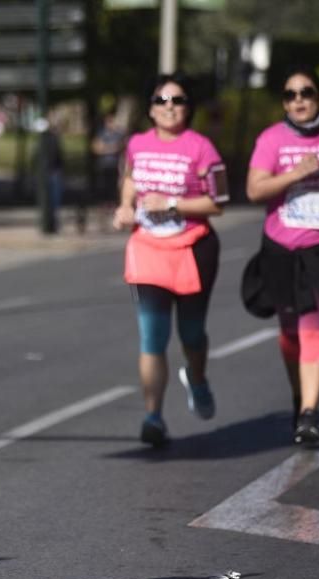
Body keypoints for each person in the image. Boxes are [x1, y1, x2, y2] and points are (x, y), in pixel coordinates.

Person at [113, 73, 228, 447]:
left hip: (194, 248)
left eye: (177, 101)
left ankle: (197, 377)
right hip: (147, 249)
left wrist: (173, 203)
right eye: (161, 101)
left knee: (191, 334)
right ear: (150, 109)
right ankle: (153, 417)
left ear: (188, 108)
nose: (169, 107)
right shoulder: (137, 144)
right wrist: (125, 207)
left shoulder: (202, 148)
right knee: (153, 337)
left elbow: (220, 202)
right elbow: (130, 180)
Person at [242, 66, 319, 445]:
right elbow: (254, 190)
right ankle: (299, 396)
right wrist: (294, 174)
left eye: (306, 92)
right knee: (290, 333)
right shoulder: (271, 140)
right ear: (284, 103)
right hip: (281, 248)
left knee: (313, 327)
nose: (299, 100)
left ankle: (309, 414)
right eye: (290, 95)